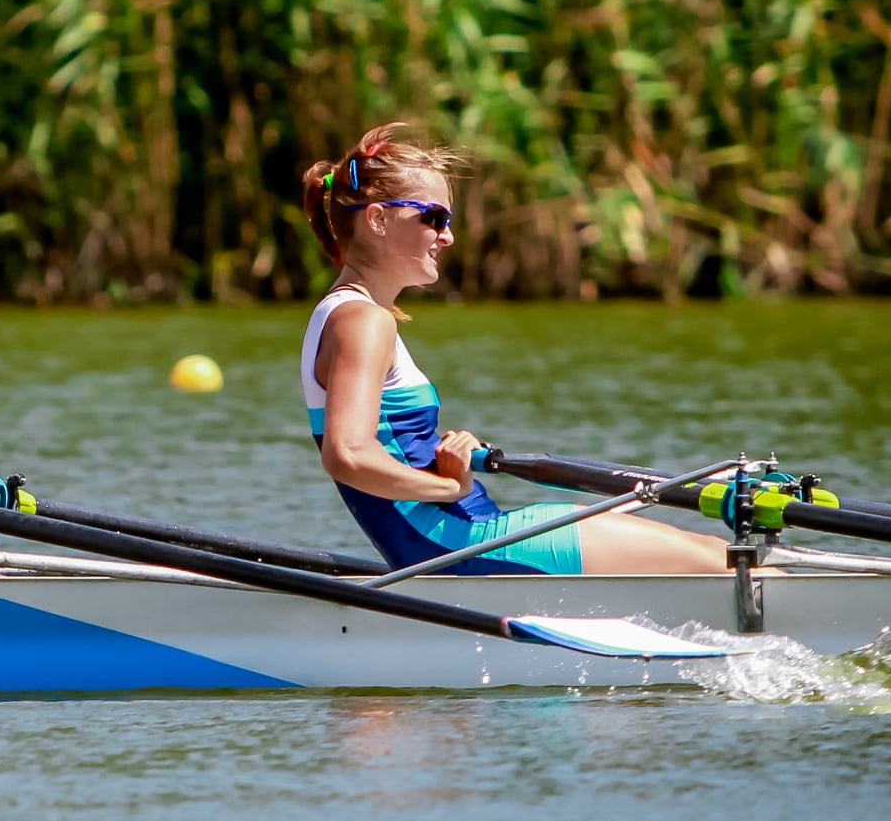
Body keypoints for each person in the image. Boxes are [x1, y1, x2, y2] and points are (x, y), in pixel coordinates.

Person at [299, 124, 725, 575]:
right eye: (434, 217)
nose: (448, 237)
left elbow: (380, 445)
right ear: (379, 219)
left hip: (461, 538)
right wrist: (452, 487)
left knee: (710, 552)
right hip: (462, 545)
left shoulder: (343, 314)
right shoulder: (364, 321)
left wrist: (442, 453)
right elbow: (348, 455)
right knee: (723, 561)